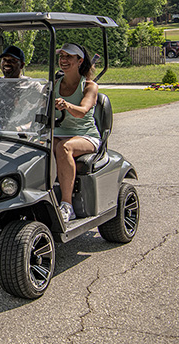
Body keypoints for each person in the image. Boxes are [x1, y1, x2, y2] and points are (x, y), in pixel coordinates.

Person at [53, 42, 100, 223]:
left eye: (68, 57)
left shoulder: (89, 86)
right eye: (61, 56)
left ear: (79, 61)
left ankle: (67, 205)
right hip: (58, 132)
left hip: (85, 135)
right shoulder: (55, 84)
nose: (63, 60)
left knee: (65, 148)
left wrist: (66, 105)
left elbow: (82, 112)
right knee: (39, 146)